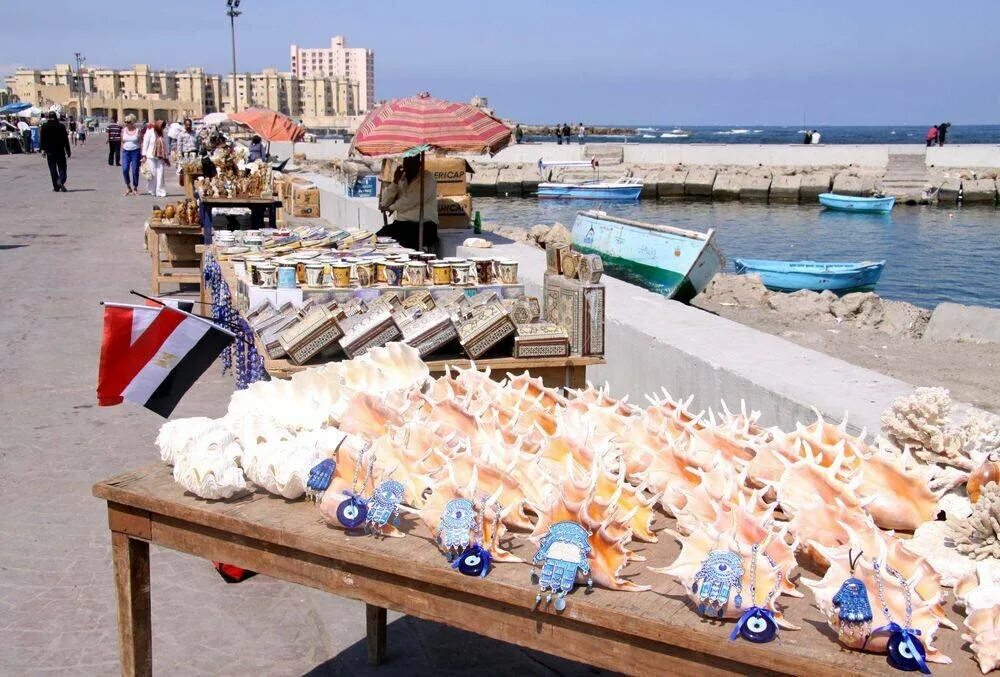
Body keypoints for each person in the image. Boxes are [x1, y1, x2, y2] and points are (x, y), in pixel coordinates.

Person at [377, 154, 439, 251]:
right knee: (377, 239)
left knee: (404, 245)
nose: (408, 166)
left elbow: (412, 199)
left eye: (412, 162)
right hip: (402, 225)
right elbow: (384, 201)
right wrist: (395, 182)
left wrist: (391, 208)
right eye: (406, 162)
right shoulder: (402, 179)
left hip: (423, 225)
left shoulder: (427, 178)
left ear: (419, 164)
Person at [39, 112, 71, 192]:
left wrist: (42, 150)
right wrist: (68, 150)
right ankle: (61, 180)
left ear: (48, 117)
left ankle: (56, 187)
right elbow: (65, 140)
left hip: (50, 151)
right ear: (56, 117)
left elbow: (42, 139)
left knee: (52, 169)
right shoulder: (61, 126)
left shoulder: (44, 126)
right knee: (62, 167)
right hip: (60, 150)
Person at [141, 120, 170, 197]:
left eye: (163, 127)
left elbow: (166, 144)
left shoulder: (164, 133)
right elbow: (145, 143)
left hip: (161, 156)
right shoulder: (150, 132)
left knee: (160, 174)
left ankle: (160, 191)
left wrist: (167, 157)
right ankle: (152, 190)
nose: (162, 128)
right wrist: (143, 155)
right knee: (153, 173)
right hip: (151, 156)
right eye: (161, 126)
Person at [120, 114, 142, 195]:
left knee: (135, 170)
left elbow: (140, 142)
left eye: (128, 122)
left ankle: (135, 187)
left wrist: (142, 155)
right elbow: (122, 141)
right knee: (125, 169)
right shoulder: (123, 130)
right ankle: (128, 187)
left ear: (132, 122)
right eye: (125, 121)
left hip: (135, 151)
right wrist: (123, 149)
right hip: (126, 152)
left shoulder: (137, 131)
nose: (126, 123)